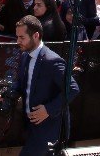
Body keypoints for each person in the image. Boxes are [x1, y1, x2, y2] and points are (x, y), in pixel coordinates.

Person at [13, 16, 80, 156]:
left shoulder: (52, 61)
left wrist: (48, 109)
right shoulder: (26, 56)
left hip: (48, 130)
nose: (18, 41)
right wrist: (10, 93)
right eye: (17, 37)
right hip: (30, 126)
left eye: (22, 37)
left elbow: (73, 89)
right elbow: (23, 84)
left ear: (36, 35)